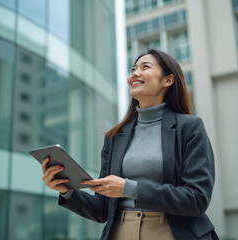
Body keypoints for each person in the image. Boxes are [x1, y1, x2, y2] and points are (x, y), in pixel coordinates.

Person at [41, 49, 219, 240]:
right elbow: (103, 209)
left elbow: (197, 199)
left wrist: (129, 188)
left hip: (173, 233)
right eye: (133, 69)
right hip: (121, 232)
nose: (134, 73)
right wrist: (67, 191)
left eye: (145, 67)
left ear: (168, 80)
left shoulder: (190, 127)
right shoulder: (115, 136)